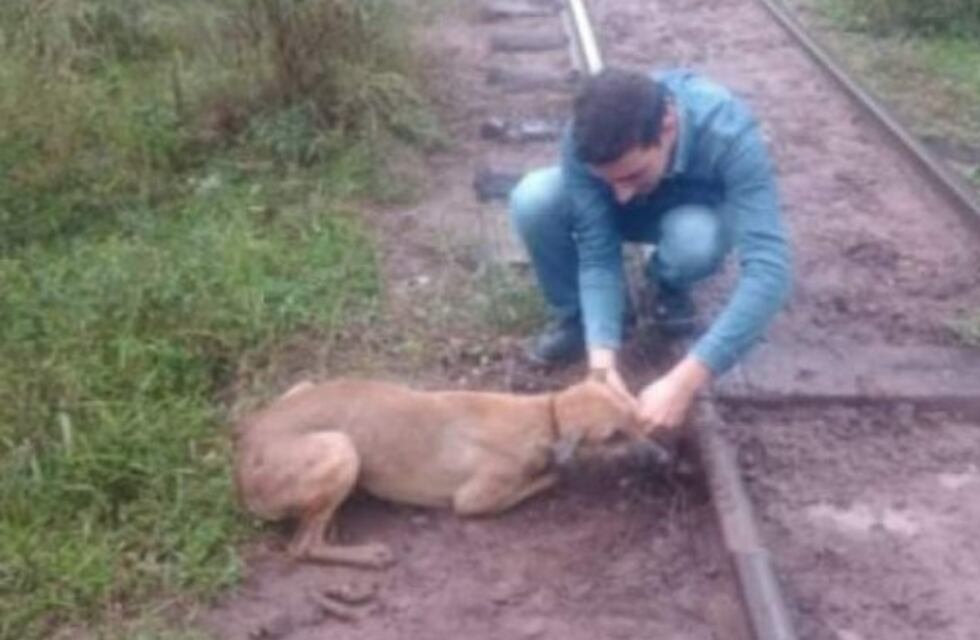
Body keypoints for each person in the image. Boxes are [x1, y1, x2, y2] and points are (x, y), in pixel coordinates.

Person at [508, 67, 792, 433]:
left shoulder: (730, 134)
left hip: (690, 215)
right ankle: (580, 318)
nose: (621, 195)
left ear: (668, 125)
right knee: (535, 198)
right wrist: (602, 364)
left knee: (695, 239)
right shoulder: (585, 139)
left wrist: (685, 381)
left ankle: (667, 287)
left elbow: (770, 272)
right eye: (607, 180)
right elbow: (598, 250)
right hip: (637, 215)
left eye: (631, 175)